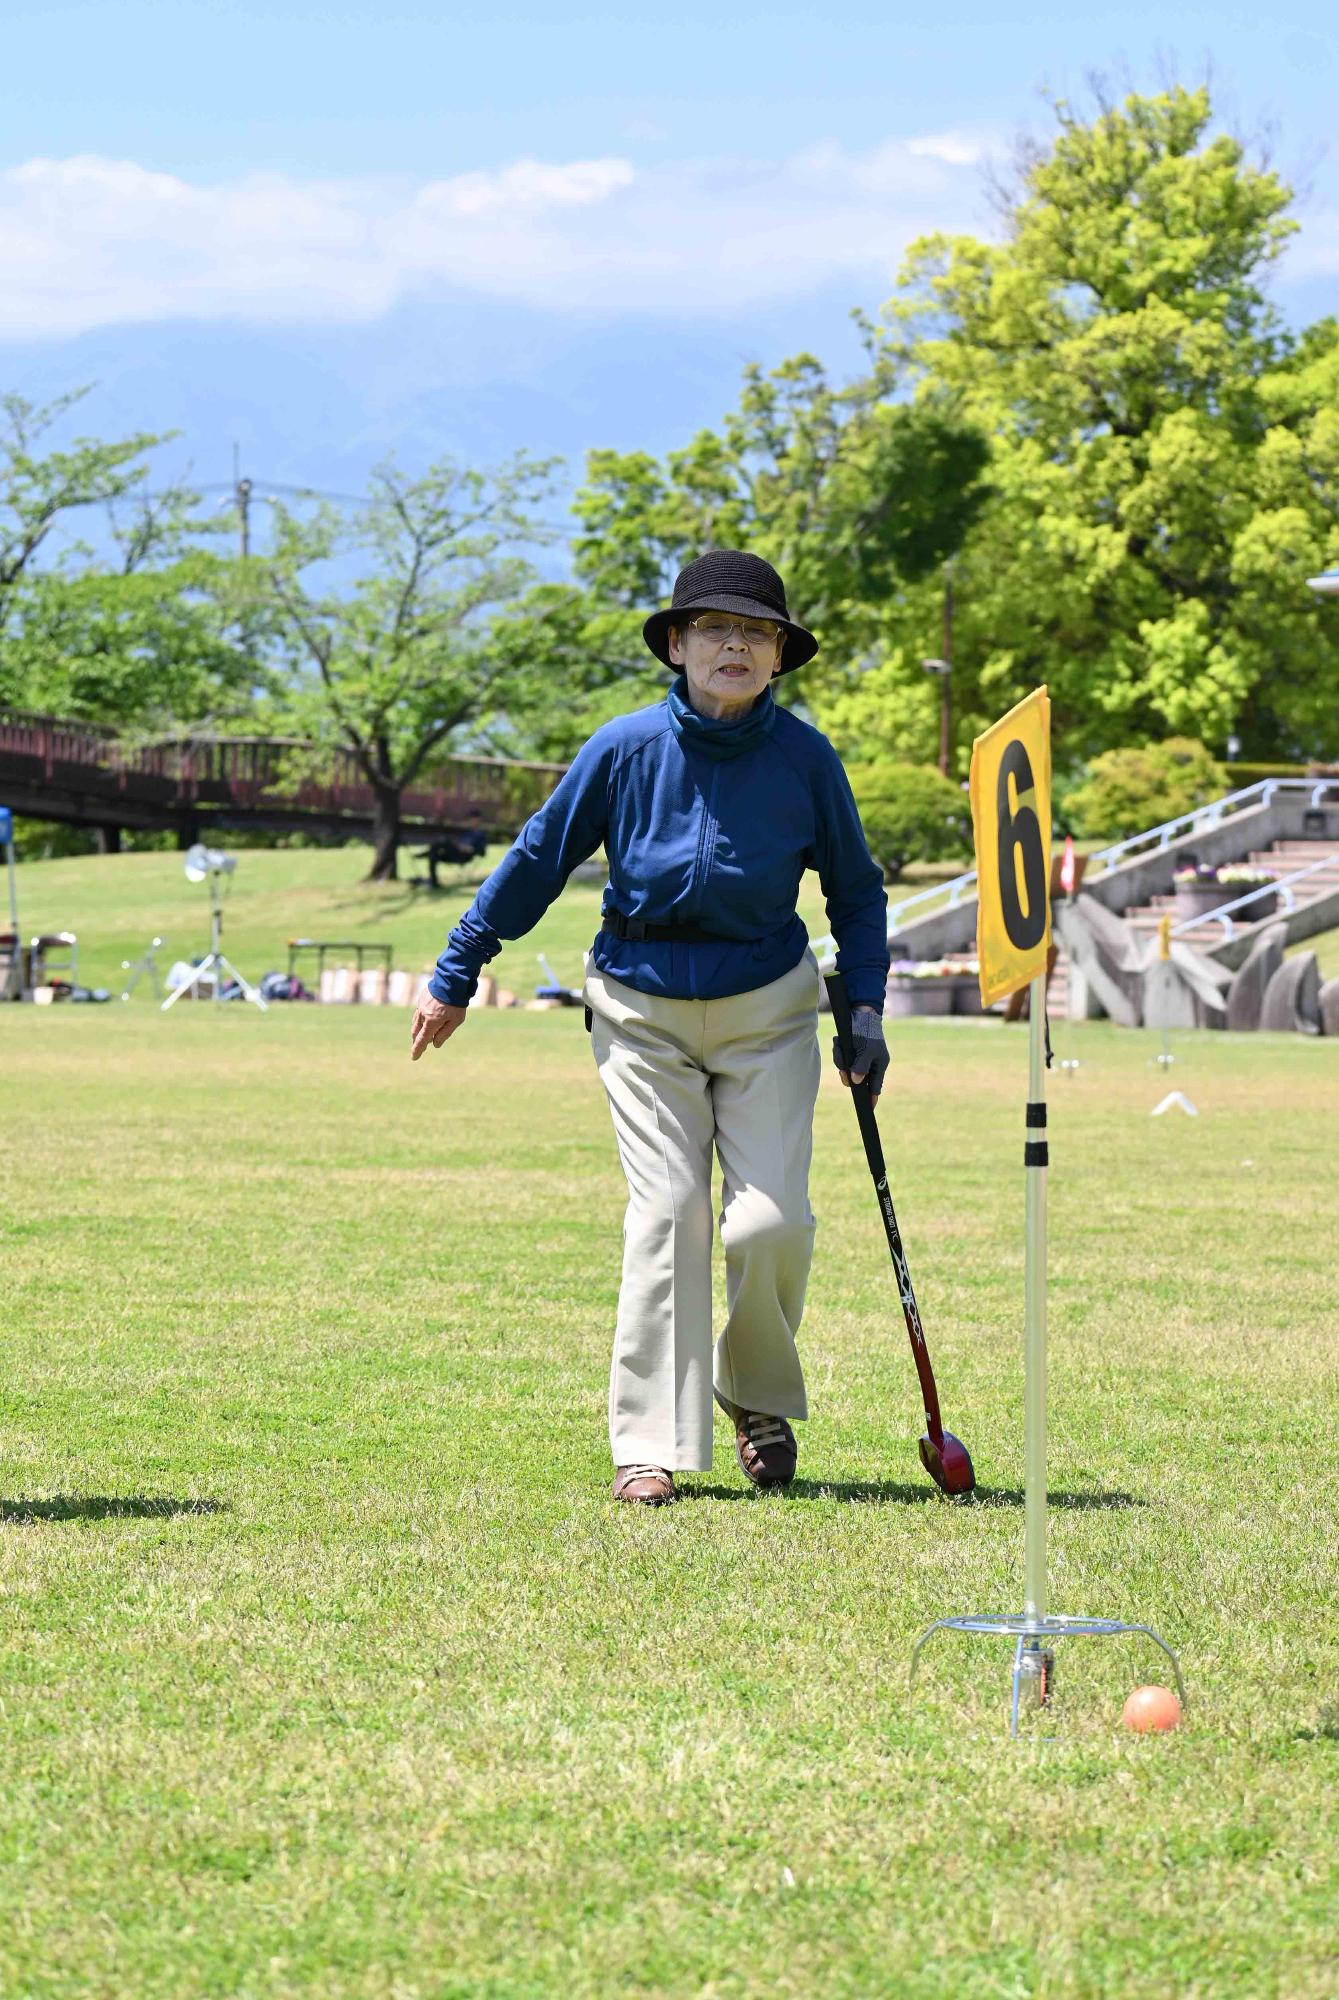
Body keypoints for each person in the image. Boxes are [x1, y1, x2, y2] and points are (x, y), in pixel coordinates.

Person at [411, 550, 890, 1504]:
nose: (734, 647)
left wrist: (867, 1007)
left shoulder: (806, 758)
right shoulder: (622, 748)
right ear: (676, 645)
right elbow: (538, 859)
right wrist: (458, 968)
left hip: (768, 1009)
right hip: (640, 1011)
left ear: (779, 656)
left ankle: (754, 1395)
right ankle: (647, 1443)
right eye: (713, 629)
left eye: (755, 633)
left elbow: (855, 889)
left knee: (772, 1224)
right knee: (668, 1213)